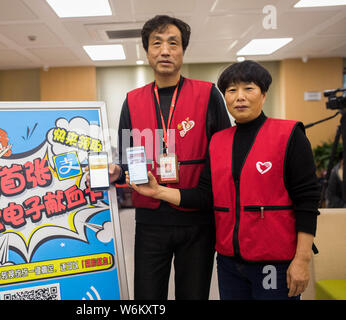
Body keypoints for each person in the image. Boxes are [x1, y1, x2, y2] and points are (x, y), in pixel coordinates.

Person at [128, 60, 320, 300]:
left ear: (263, 94)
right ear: (226, 98)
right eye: (231, 90)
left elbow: (307, 201)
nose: (240, 97)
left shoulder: (289, 135)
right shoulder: (218, 141)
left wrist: (302, 259)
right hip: (229, 263)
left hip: (274, 261)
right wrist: (158, 192)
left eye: (248, 88)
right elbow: (204, 195)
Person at [108, 15, 231, 300]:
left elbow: (223, 156)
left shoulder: (208, 94)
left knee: (193, 295)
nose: (165, 50)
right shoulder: (133, 100)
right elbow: (128, 157)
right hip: (150, 221)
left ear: (183, 51)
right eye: (157, 43)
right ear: (147, 51)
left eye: (173, 43)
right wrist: (118, 171)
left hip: (197, 221)